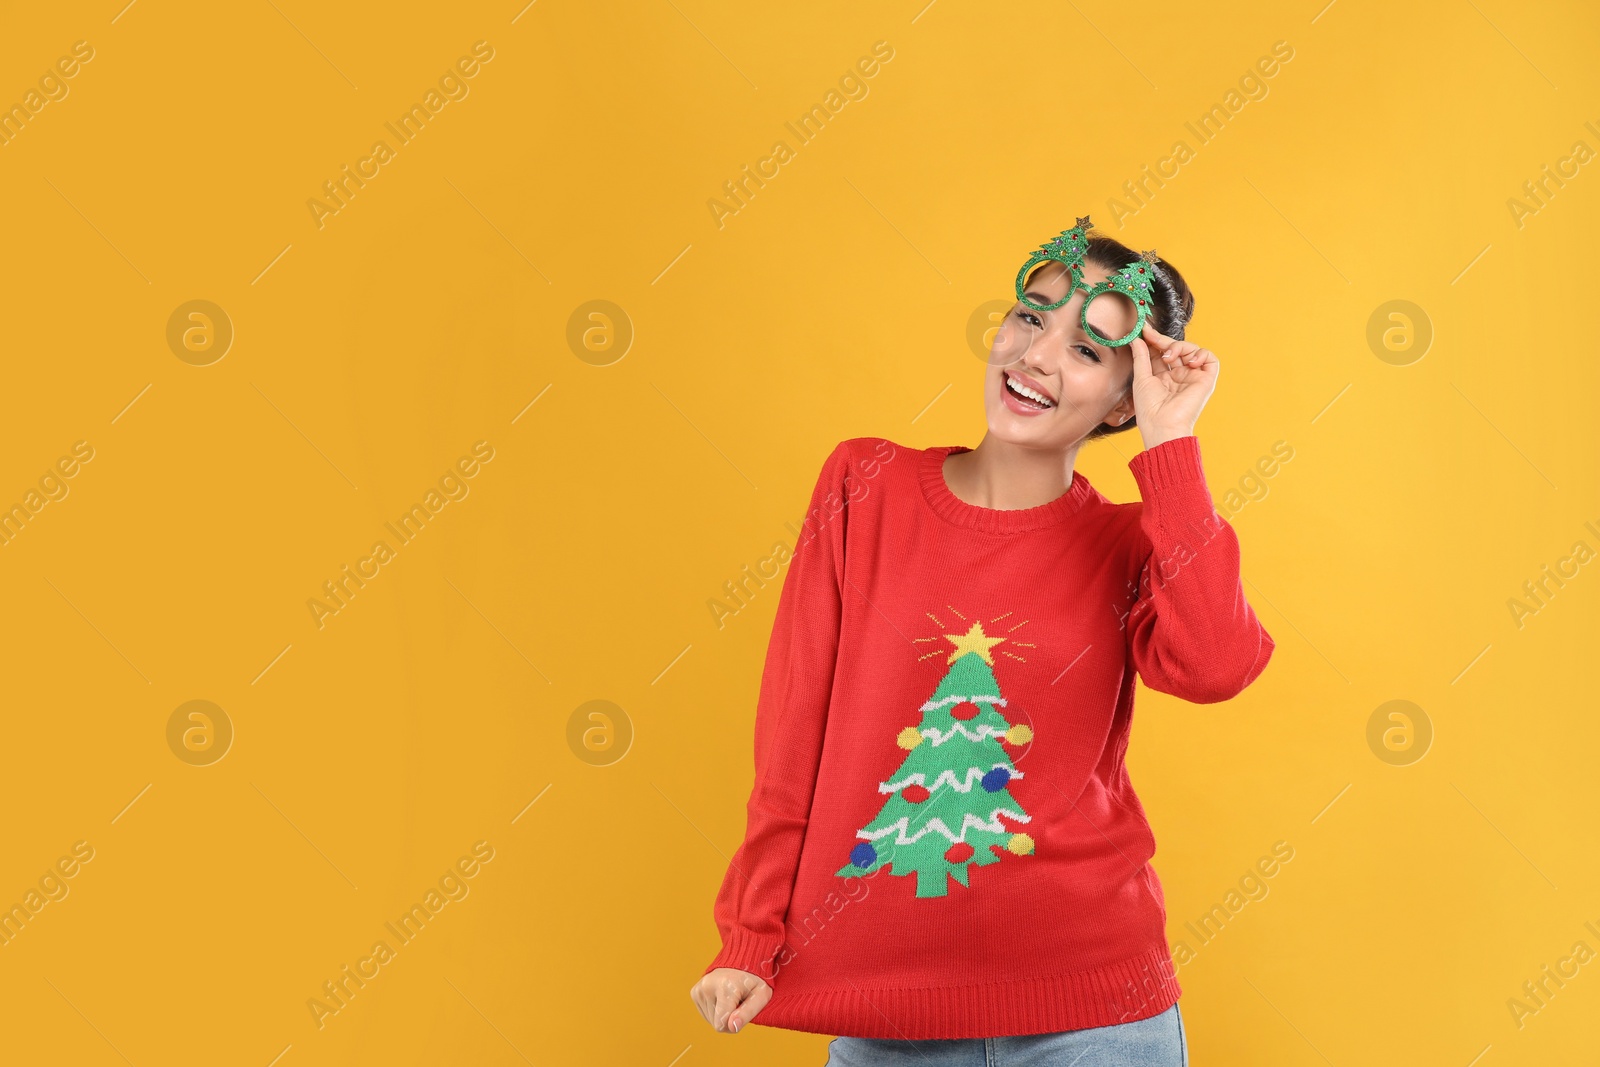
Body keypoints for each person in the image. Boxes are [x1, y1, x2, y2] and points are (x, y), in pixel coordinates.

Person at [688, 221, 1273, 1066]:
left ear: (1123, 397)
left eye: (1088, 348)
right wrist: (750, 932)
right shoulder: (864, 485)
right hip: (886, 1013)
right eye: (1031, 317)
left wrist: (1171, 443)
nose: (1037, 355)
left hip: (1096, 1015)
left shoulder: (1131, 544)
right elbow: (793, 730)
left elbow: (1218, 664)